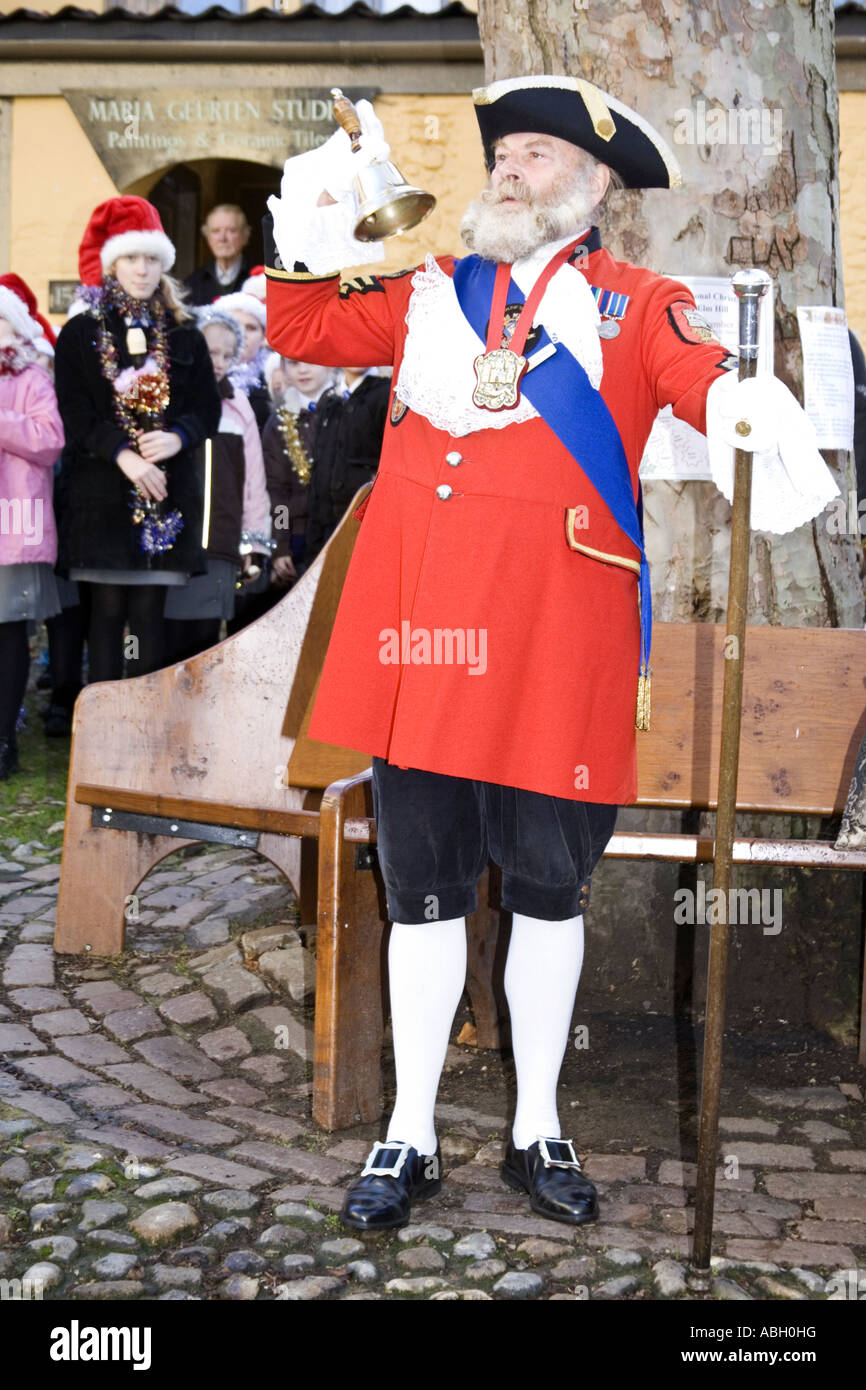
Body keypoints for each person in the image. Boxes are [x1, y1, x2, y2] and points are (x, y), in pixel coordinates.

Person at [264, 78, 839, 1232]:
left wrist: (737, 403)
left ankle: (537, 1124)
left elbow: (695, 380)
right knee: (420, 894)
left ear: (596, 183)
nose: (511, 169)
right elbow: (302, 325)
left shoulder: (640, 303)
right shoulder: (430, 293)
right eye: (506, 152)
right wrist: (323, 205)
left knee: (545, 894)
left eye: (537, 154)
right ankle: (407, 1133)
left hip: (553, 655)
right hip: (419, 646)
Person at [54, 195, 222, 684]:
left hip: (165, 500)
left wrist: (178, 438)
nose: (142, 269)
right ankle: (104, 726)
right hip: (101, 497)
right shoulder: (80, 333)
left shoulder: (185, 333)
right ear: (111, 264)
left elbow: (207, 408)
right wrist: (123, 455)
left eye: (151, 258)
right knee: (105, 613)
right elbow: (76, 412)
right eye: (131, 257)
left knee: (150, 614)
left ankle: (146, 723)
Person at [164, 307, 272, 661]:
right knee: (167, 642)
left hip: (219, 546)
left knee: (205, 645)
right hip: (172, 546)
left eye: (228, 355)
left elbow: (254, 479)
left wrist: (254, 540)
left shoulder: (238, 406)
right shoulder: (170, 401)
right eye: (211, 352)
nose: (221, 362)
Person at [0, 274, 65, 777]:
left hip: (13, 526)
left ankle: (3, 740)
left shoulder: (30, 381)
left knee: (9, 635)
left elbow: (48, 441)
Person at [305, 366, 390, 562]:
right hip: (325, 533)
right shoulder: (329, 399)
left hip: (365, 531)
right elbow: (318, 476)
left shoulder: (386, 395)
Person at [215, 290, 271, 431]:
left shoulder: (274, 381)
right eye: (234, 325)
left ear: (263, 337)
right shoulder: (199, 374)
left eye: (251, 328)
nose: (242, 334)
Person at [184, 203, 251, 307]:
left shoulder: (260, 279)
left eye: (231, 230)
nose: (222, 238)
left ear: (245, 236)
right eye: (216, 231)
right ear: (208, 238)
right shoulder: (192, 284)